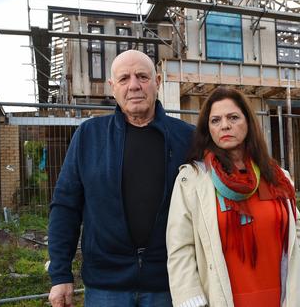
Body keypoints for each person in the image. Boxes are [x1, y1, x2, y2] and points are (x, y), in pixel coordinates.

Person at [47, 50, 194, 307]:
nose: (134, 85)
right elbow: (65, 206)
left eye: (142, 76)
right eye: (124, 78)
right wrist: (60, 274)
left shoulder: (187, 138)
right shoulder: (89, 136)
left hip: (169, 284)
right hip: (106, 286)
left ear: (157, 81)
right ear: (112, 87)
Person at [166, 87, 300, 307]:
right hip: (223, 298)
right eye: (215, 120)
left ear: (248, 122)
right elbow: (180, 246)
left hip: (281, 298)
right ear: (209, 129)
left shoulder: (277, 177)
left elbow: (296, 227)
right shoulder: (193, 180)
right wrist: (190, 298)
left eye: (233, 117)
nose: (225, 125)